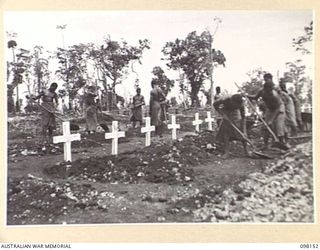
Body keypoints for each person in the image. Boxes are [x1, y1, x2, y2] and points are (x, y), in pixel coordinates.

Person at [247, 73, 287, 149]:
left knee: (279, 126)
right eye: (268, 90)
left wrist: (272, 120)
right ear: (265, 89)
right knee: (266, 126)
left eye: (271, 90)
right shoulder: (261, 91)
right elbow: (255, 97)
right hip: (270, 108)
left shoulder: (274, 95)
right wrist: (247, 95)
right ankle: (265, 145)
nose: (270, 92)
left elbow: (277, 107)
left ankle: (282, 143)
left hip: (279, 108)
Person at [214, 94, 251, 159]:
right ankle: (226, 152)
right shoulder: (224, 99)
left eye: (237, 105)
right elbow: (215, 105)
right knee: (226, 131)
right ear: (232, 101)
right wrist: (223, 114)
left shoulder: (241, 104)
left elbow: (243, 117)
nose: (236, 106)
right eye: (235, 105)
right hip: (225, 110)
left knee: (241, 132)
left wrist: (244, 131)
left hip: (235, 113)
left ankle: (247, 151)